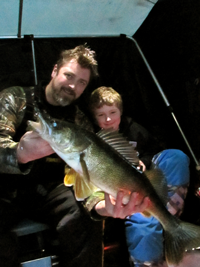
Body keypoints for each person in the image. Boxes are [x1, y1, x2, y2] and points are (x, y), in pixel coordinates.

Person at [0, 45, 150, 267]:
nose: (72, 86)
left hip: (51, 191)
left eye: (82, 82)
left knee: (86, 220)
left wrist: (102, 207)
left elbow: (84, 177)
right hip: (5, 189)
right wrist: (20, 154)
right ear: (54, 71)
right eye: (69, 76)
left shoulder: (80, 122)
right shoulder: (16, 98)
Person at [88, 86, 190, 267]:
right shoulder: (94, 140)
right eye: (101, 115)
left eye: (112, 112)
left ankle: (167, 214)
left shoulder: (134, 129)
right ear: (94, 118)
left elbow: (153, 150)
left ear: (120, 111)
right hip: (123, 195)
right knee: (143, 224)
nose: (108, 119)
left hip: (148, 187)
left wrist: (143, 161)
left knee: (176, 156)